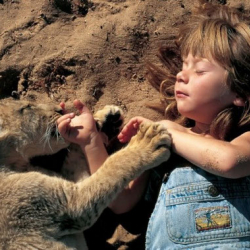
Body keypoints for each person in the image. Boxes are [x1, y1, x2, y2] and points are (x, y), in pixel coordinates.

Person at [57, 1, 250, 249]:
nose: (181, 75)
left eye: (200, 70)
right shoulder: (160, 144)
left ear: (239, 92)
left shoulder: (242, 137)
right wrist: (91, 141)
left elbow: (229, 162)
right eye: (183, 66)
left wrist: (167, 131)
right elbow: (122, 202)